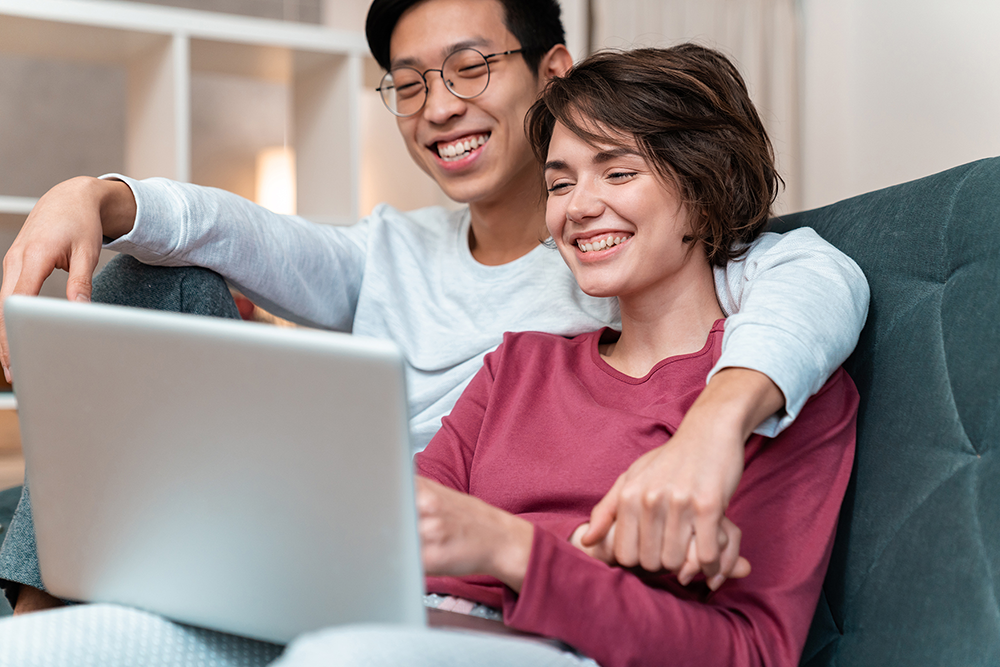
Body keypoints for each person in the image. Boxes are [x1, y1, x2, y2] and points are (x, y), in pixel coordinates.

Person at [0, 0, 865, 661]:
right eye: (410, 84)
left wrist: (714, 427)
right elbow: (238, 233)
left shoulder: (761, 349)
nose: (440, 104)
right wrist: (101, 194)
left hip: (505, 619)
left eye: (469, 67)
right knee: (153, 279)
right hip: (388, 580)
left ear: (550, 73)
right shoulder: (494, 342)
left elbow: (820, 275)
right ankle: (47, 604)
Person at [267, 43, 859, 667]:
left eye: (619, 172)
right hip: (423, 626)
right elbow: (397, 531)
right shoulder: (517, 368)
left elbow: (751, 651)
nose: (577, 207)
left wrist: (514, 550)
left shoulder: (781, 391)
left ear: (704, 184)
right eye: (559, 183)